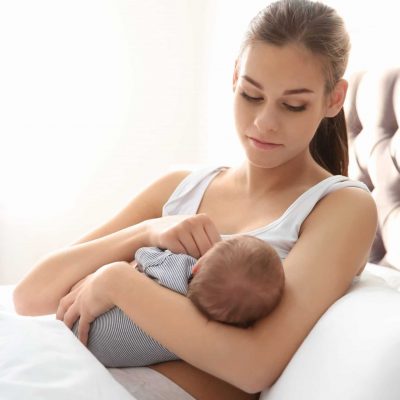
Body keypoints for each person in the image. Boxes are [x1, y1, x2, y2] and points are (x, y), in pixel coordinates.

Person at [13, 0, 377, 399]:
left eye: (293, 105)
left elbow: (253, 367)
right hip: (64, 363)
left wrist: (118, 282)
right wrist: (148, 231)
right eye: (251, 95)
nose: (264, 123)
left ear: (333, 98)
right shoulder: (181, 186)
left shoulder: (340, 206)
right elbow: (31, 295)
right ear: (235, 76)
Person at [74, 236, 285, 368]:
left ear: (198, 266)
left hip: (81, 322)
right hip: (106, 357)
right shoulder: (198, 340)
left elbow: (143, 254)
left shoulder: (178, 266)